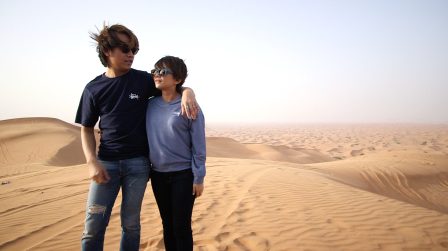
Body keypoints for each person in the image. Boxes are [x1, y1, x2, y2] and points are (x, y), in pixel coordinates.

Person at [75, 24, 199, 251]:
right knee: (92, 227)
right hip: (107, 164)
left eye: (134, 49)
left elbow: (172, 83)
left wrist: (188, 91)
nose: (130, 54)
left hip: (138, 165)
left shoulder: (143, 80)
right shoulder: (93, 88)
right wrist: (91, 161)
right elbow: (86, 127)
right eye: (124, 48)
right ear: (107, 51)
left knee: (131, 225)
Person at [146, 56, 206, 251]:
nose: (157, 75)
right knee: (167, 225)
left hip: (183, 175)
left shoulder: (189, 105)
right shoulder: (149, 105)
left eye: (163, 72)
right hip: (158, 175)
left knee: (181, 227)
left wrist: (199, 177)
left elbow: (199, 145)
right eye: (155, 71)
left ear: (178, 79)